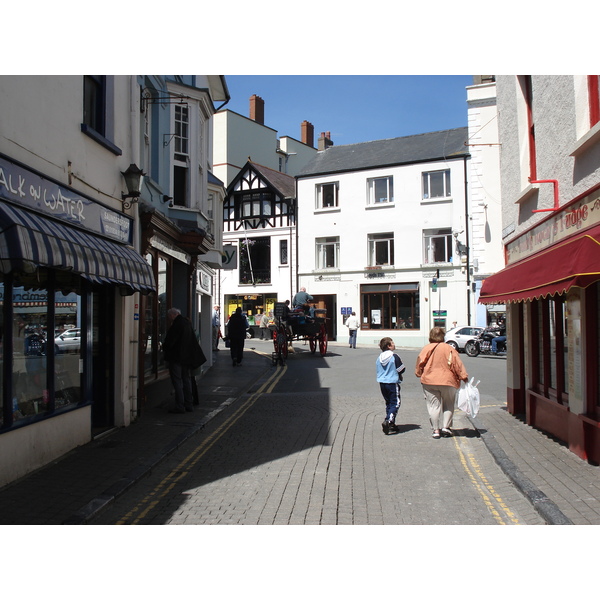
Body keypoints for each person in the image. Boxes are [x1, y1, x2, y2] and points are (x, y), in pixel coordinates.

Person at [415, 327, 468, 439]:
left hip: (429, 381)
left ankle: (435, 430)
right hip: (448, 380)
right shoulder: (449, 348)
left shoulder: (426, 348)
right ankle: (446, 427)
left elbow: (420, 362)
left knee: (433, 406)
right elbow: (457, 364)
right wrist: (464, 377)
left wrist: (419, 373)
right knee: (448, 404)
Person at [163, 308, 196, 413]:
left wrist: (164, 348)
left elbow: (170, 342)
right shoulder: (187, 324)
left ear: (173, 315)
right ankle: (189, 404)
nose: (169, 319)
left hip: (176, 358)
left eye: (169, 317)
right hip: (186, 358)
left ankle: (180, 406)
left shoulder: (176, 325)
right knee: (186, 380)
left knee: (177, 382)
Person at [376, 337, 406, 435]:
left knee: (388, 402)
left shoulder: (379, 358)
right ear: (389, 346)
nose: (394, 345)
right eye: (392, 343)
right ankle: (389, 420)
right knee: (395, 402)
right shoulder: (394, 356)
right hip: (392, 382)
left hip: (382, 383)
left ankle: (391, 422)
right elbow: (401, 369)